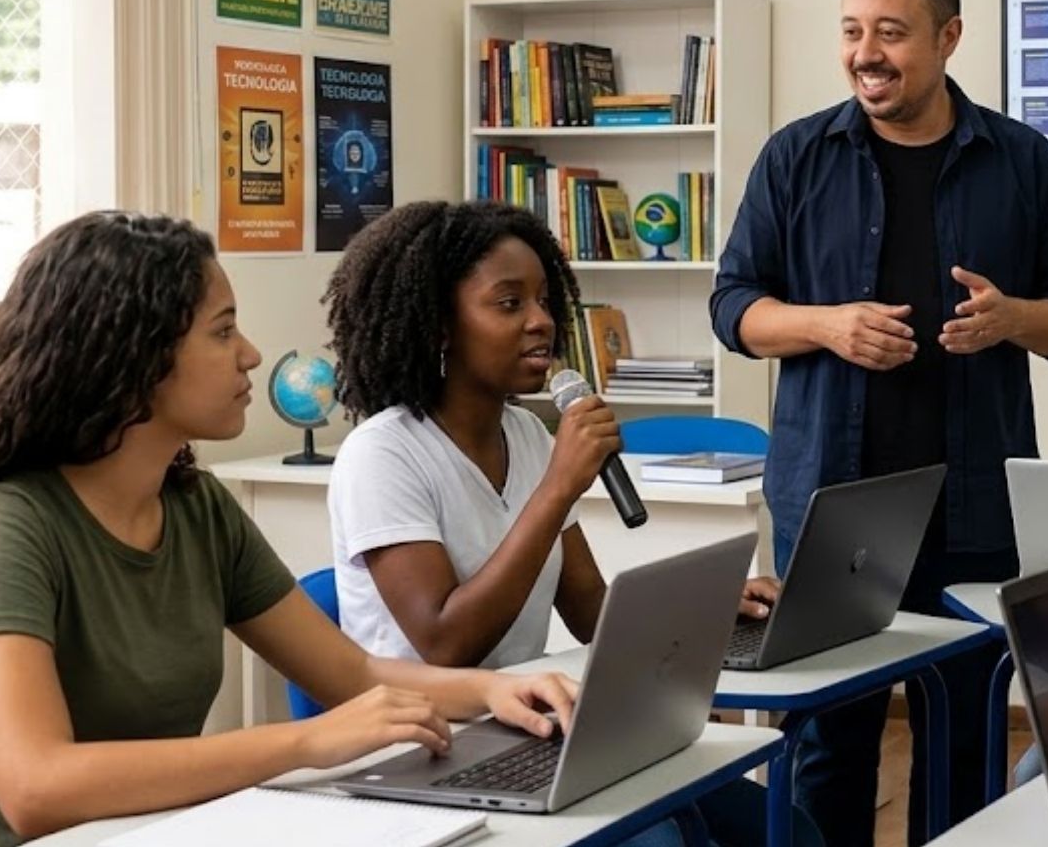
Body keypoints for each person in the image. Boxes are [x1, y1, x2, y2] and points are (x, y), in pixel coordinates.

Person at [0, 213, 577, 847]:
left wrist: (489, 695)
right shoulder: (4, 527)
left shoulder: (196, 507)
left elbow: (350, 672)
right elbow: (35, 788)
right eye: (223, 330)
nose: (250, 354)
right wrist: (303, 741)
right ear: (133, 356)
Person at [710, 0, 1048, 845]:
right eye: (851, 31)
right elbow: (733, 306)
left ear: (949, 36)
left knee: (965, 733)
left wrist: (1016, 319)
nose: (865, 53)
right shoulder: (795, 157)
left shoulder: (1022, 160)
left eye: (890, 31)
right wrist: (824, 325)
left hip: (976, 504)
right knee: (828, 742)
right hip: (831, 507)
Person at [322, 200, 794, 847]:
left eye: (544, 300)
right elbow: (444, 643)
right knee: (661, 841)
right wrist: (556, 489)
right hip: (429, 744)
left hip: (530, 724)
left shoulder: (527, 433)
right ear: (439, 326)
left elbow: (589, 609)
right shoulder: (383, 454)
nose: (542, 321)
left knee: (780, 824)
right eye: (509, 303)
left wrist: (705, 612)